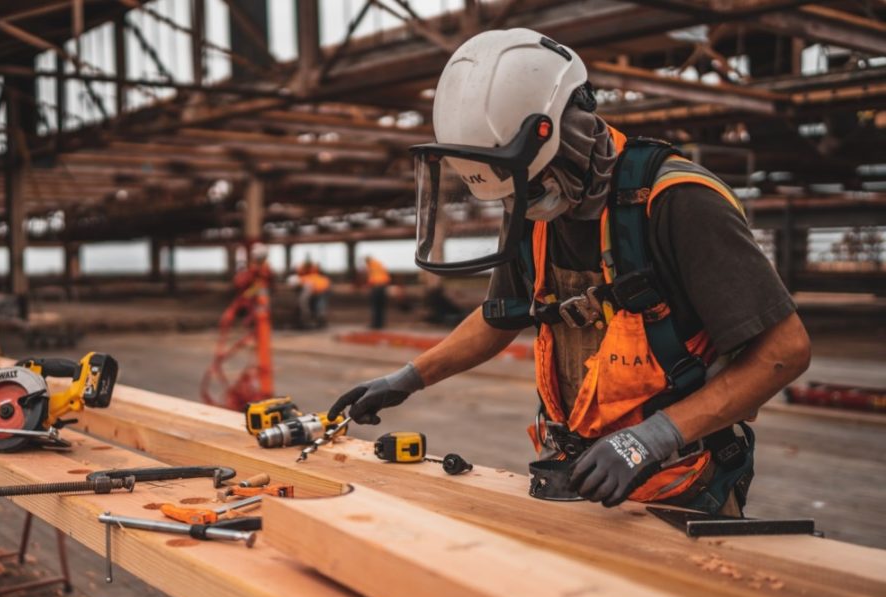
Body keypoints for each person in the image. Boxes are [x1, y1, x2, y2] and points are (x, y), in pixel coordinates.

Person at [329, 29, 810, 516]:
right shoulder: (529, 206)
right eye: (514, 193)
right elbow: (501, 316)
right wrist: (409, 378)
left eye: (532, 185)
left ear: (568, 135)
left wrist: (654, 437)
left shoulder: (677, 202)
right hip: (572, 474)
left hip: (681, 484)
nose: (523, 203)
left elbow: (785, 351)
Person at [299, 262, 331, 328]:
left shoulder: (322, 279)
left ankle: (320, 316)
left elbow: (325, 286)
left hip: (319, 294)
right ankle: (307, 316)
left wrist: (317, 290)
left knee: (320, 301)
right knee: (306, 300)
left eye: (314, 268)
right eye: (312, 268)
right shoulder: (305, 278)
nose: (313, 269)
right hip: (309, 296)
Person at [364, 255, 391, 329]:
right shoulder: (378, 264)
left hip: (376, 287)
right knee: (380, 307)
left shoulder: (371, 266)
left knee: (375, 307)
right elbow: (385, 276)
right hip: (383, 286)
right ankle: (380, 324)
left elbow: (372, 278)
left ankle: (376, 324)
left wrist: (369, 285)